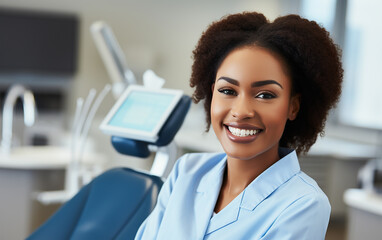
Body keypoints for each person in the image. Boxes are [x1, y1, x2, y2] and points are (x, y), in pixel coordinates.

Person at [135, 11, 343, 240]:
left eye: (265, 95)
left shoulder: (304, 204)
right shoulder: (186, 171)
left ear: (293, 107)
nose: (241, 111)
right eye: (227, 91)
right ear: (212, 93)